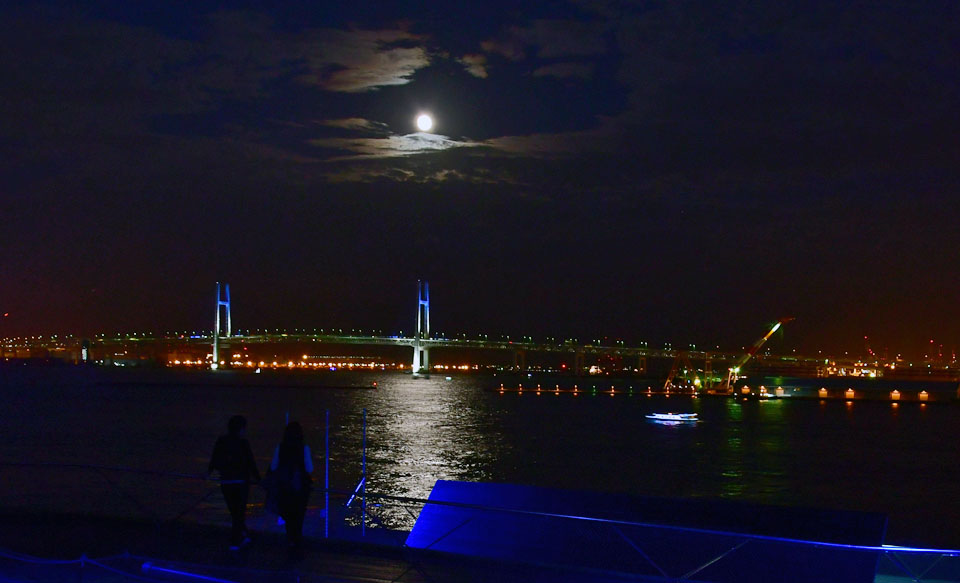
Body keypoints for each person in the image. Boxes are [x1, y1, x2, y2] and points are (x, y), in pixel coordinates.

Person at [208, 415, 261, 550]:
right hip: (241, 482)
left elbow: (214, 459)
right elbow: (251, 463)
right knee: (239, 512)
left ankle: (243, 535)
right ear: (241, 428)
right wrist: (259, 480)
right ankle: (235, 541)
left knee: (234, 511)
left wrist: (208, 473)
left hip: (226, 481)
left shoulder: (222, 441)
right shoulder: (243, 443)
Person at [270, 421, 313, 557]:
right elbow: (309, 468)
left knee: (288, 517)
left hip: (285, 487)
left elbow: (273, 467)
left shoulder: (281, 447)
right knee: (298, 518)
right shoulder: (304, 448)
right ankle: (297, 544)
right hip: (300, 488)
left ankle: (290, 542)